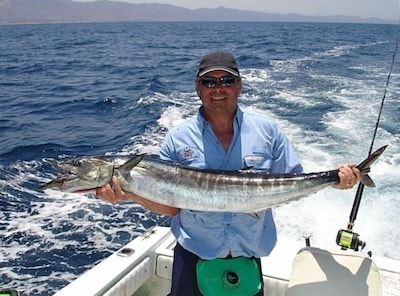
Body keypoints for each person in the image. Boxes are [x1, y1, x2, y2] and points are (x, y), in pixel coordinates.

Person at [96, 51, 362, 296]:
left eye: (226, 80)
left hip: (248, 258)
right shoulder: (178, 138)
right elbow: (172, 207)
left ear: (239, 85)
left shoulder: (268, 131)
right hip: (194, 256)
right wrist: (130, 195)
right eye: (209, 82)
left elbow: (293, 180)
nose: (218, 88)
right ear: (198, 88)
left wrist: (333, 181)